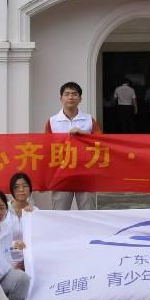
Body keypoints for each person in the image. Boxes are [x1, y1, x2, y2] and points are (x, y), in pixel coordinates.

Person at [44, 81, 102, 210]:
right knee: (60, 212)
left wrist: (84, 133)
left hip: (85, 171)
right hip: (61, 173)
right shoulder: (52, 121)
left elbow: (101, 142)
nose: (71, 97)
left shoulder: (89, 120)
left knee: (88, 212)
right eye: (67, 94)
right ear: (61, 98)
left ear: (80, 99)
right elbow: (47, 148)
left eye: (74, 94)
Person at [6, 172, 37, 271]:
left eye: (25, 186)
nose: (21, 190)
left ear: (30, 190)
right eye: (17, 187)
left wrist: (31, 215)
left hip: (29, 262)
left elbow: (41, 239)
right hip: (6, 261)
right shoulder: (3, 211)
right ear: (12, 190)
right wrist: (12, 245)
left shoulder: (36, 212)